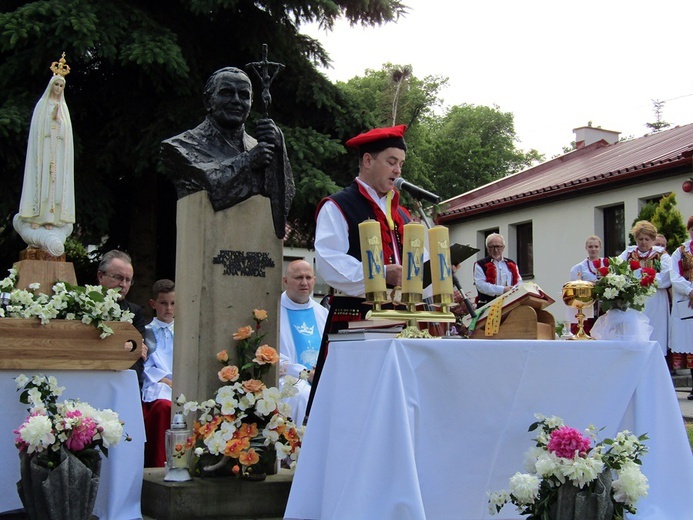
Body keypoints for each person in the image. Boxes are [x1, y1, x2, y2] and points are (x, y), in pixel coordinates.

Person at [160, 66, 294, 239]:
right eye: (227, 93)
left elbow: (282, 206)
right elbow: (212, 190)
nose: (237, 101)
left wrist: (279, 151)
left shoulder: (259, 147)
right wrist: (248, 162)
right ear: (208, 101)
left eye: (244, 95)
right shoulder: (181, 146)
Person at [314, 124, 412, 296]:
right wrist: (380, 274)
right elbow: (328, 260)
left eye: (401, 164)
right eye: (391, 162)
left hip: (403, 314)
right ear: (368, 161)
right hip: (360, 317)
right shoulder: (339, 205)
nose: (398, 170)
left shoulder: (402, 214)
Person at [14, 54, 75, 257]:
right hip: (43, 155)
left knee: (55, 189)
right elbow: (38, 133)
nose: (58, 89)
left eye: (61, 86)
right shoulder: (42, 106)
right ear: (51, 86)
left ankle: (51, 219)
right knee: (41, 186)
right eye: (56, 85)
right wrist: (50, 121)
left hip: (57, 155)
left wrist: (59, 122)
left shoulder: (63, 108)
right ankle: (36, 217)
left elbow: (66, 136)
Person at [279, 260, 328, 426]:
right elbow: (272, 355)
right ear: (285, 281)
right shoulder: (274, 310)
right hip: (289, 378)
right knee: (304, 395)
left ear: (314, 280)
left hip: (322, 377)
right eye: (298, 277)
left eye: (308, 277)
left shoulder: (322, 313)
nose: (304, 283)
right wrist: (305, 373)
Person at [619, 220, 672, 355]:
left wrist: (644, 277)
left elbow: (667, 276)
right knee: (635, 329)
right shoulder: (628, 254)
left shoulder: (662, 255)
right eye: (640, 239)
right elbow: (618, 271)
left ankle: (658, 357)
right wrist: (643, 276)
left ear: (653, 240)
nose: (643, 242)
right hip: (634, 298)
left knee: (656, 328)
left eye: (647, 239)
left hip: (656, 299)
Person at [96, 250, 148, 385]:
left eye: (128, 280)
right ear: (101, 276)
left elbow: (138, 352)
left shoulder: (135, 312)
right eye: (118, 277)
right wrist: (120, 345)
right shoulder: (84, 306)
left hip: (122, 379)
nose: (123, 285)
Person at [141, 279, 176, 467]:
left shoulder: (186, 331)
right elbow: (145, 367)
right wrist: (165, 380)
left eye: (173, 303)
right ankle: (159, 462)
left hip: (181, 382)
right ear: (153, 304)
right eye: (163, 303)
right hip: (158, 385)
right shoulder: (145, 332)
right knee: (164, 407)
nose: (169, 308)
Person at [668, 217, 693, 393]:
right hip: (687, 301)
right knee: (690, 341)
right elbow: (674, 275)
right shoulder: (680, 251)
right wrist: (690, 291)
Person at [568, 235, 606, 335]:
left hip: (604, 306)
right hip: (588, 306)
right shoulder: (578, 268)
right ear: (586, 248)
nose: (593, 249)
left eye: (596, 246)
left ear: (600, 247)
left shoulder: (607, 264)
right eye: (590, 247)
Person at [473, 233, 522, 306]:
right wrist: (503, 290)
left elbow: (519, 282)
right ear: (487, 248)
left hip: (509, 304)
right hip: (488, 306)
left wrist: (514, 289)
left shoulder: (511, 263)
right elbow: (481, 285)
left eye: (498, 247)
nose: (495, 250)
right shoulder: (480, 264)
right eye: (492, 247)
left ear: (503, 247)